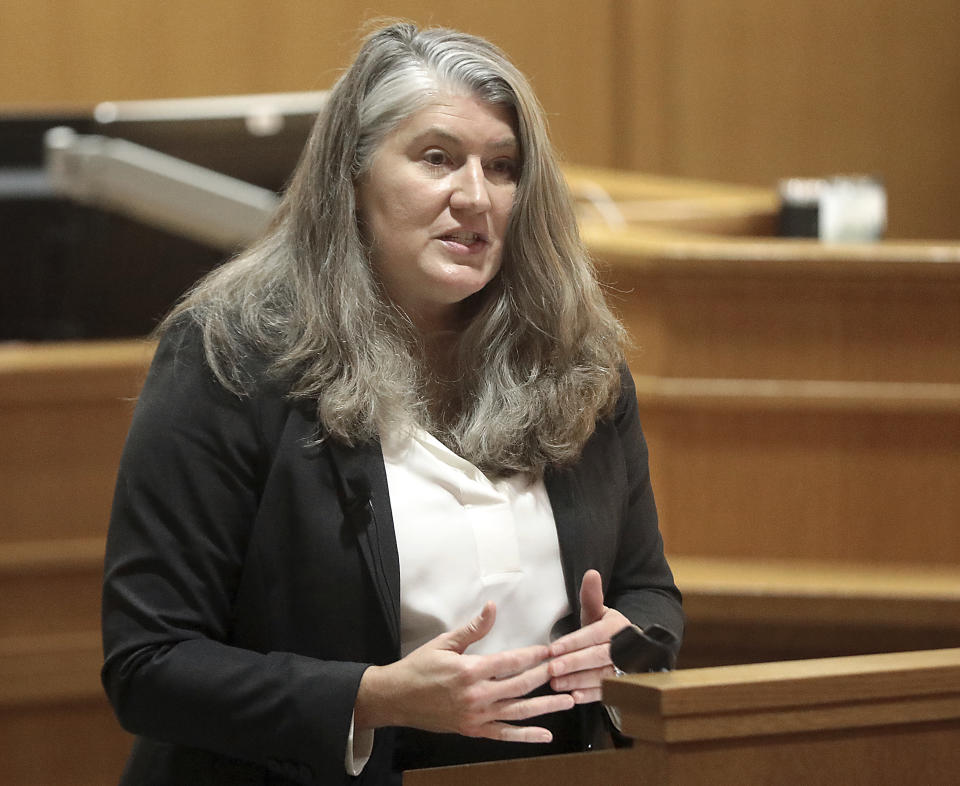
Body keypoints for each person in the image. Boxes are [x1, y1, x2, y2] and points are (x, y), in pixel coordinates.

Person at [101, 21, 683, 786]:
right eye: (437, 158)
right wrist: (370, 698)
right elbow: (149, 662)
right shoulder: (232, 358)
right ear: (353, 176)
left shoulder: (575, 361)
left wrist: (627, 643)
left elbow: (648, 590)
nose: (474, 195)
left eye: (503, 167)